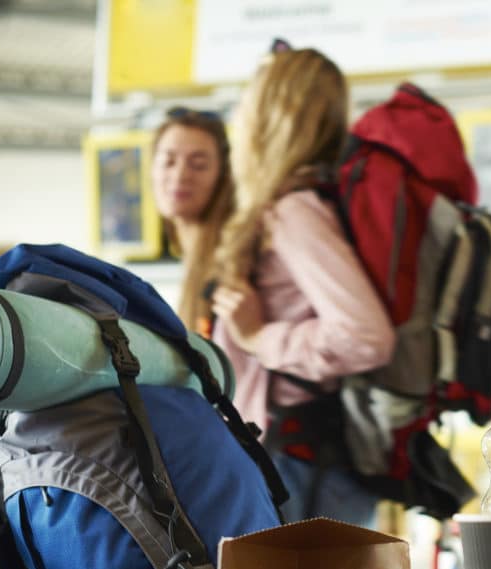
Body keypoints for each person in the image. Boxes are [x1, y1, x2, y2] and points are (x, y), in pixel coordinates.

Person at [209, 42, 395, 527]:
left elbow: (365, 337)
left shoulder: (296, 212)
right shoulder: (302, 202)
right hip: (300, 461)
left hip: (303, 465)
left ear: (272, 112)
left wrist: (258, 337)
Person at [149, 107, 234, 336]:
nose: (180, 176)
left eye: (198, 165)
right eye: (168, 161)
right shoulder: (190, 254)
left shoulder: (231, 259)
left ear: (223, 175)